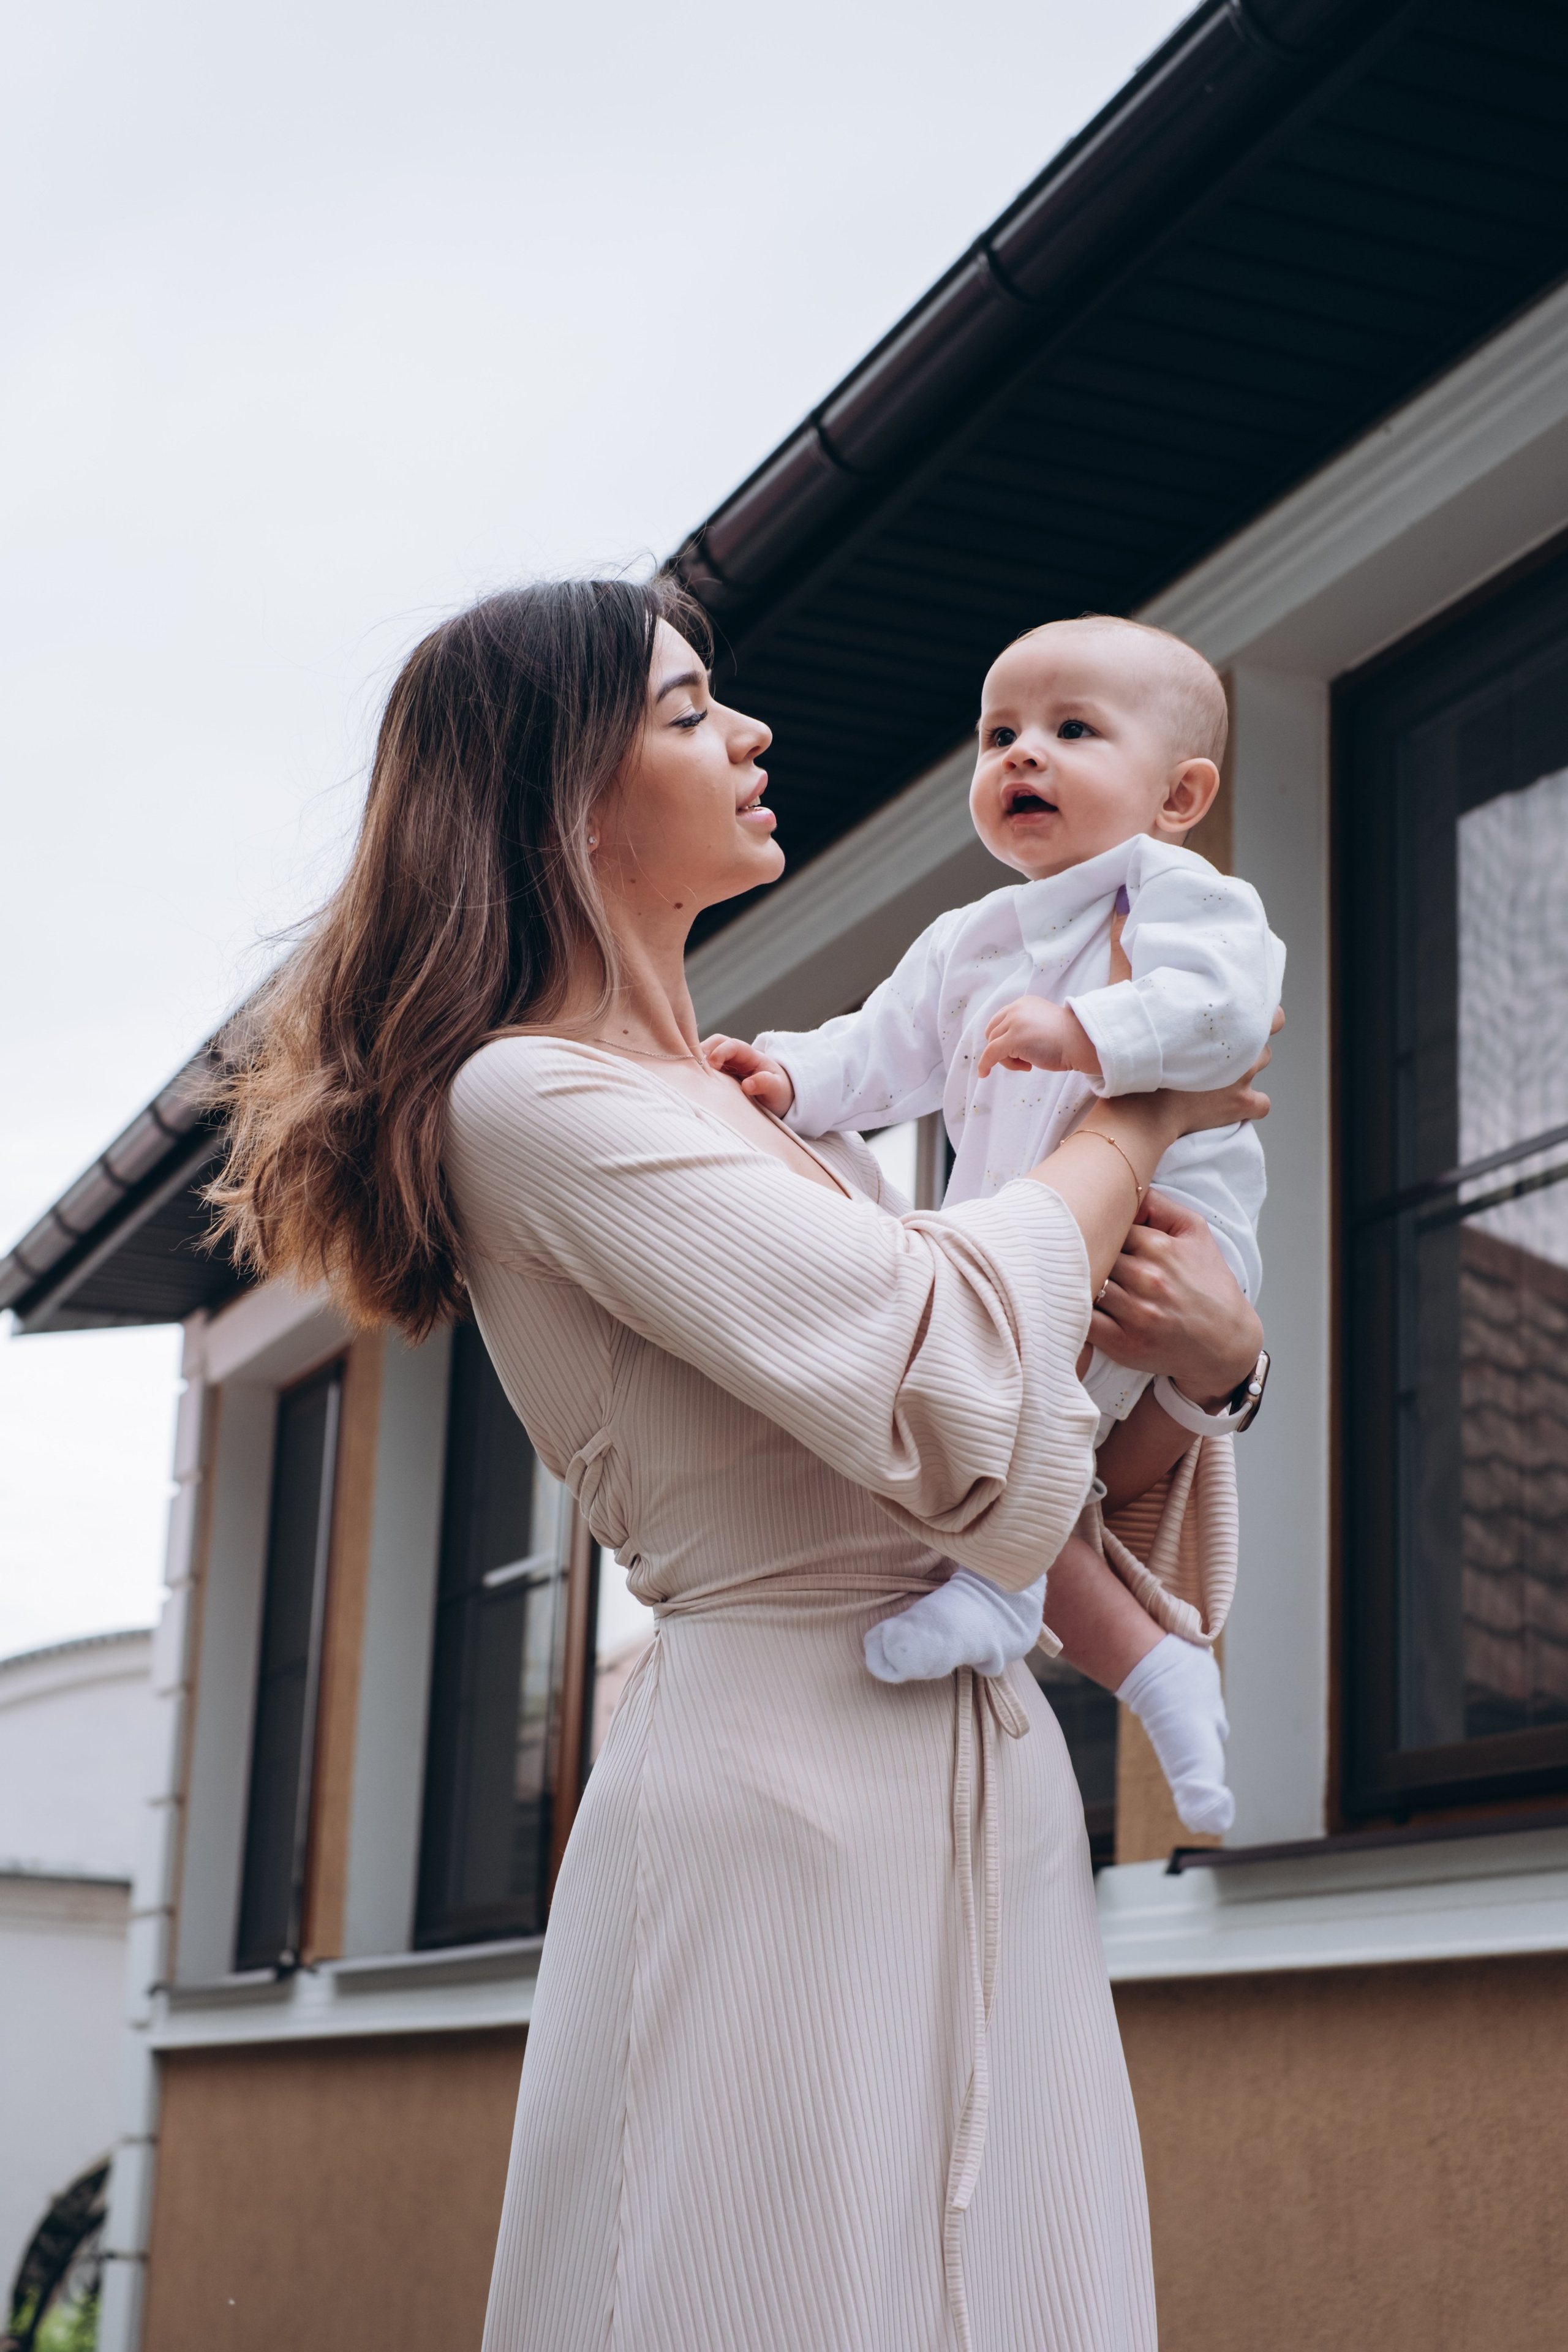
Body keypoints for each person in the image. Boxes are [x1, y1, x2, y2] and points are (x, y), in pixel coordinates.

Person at [208, 578, 1272, 2352]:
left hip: (992, 1789)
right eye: (693, 710)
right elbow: (947, 1384)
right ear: (568, 799)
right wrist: (1136, 1112)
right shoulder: (533, 1103)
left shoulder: (749, 1109)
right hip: (782, 1790)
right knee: (753, 2284)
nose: (752, 733)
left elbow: (1026, 1454)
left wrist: (1216, 1375)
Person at [703, 616, 1283, 1834]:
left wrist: (1095, 1038)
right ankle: (1139, 1660)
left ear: (1177, 795)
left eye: (1070, 731)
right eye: (998, 735)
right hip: (1032, 1251)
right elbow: (883, 1049)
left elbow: (1229, 1016)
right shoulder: (966, 940)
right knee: (990, 1429)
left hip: (1165, 1234)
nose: (1023, 756)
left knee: (985, 1413)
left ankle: (1007, 1588)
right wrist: (788, 1078)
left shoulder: (1179, 894)